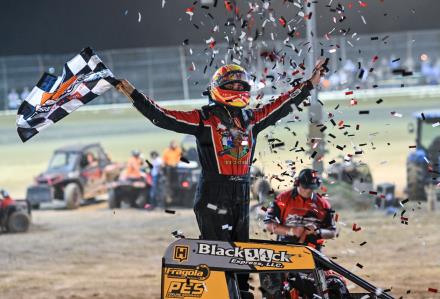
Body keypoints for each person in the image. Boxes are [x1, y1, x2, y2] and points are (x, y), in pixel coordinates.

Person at [115, 60, 326, 296]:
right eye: (232, 84)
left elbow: (281, 104)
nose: (237, 88)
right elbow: (162, 117)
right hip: (213, 195)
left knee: (242, 258)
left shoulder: (251, 119)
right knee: (219, 259)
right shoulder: (203, 118)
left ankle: (243, 294)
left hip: (241, 195)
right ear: (218, 86)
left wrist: (308, 85)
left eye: (241, 84)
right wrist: (134, 94)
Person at [262, 169, 344, 299]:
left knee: (312, 291)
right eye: (305, 187)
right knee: (278, 290)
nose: (307, 191)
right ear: (297, 184)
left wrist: (318, 231)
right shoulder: (283, 199)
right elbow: (268, 224)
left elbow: (333, 231)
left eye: (311, 188)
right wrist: (291, 230)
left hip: (312, 253)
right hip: (285, 251)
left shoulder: (323, 204)